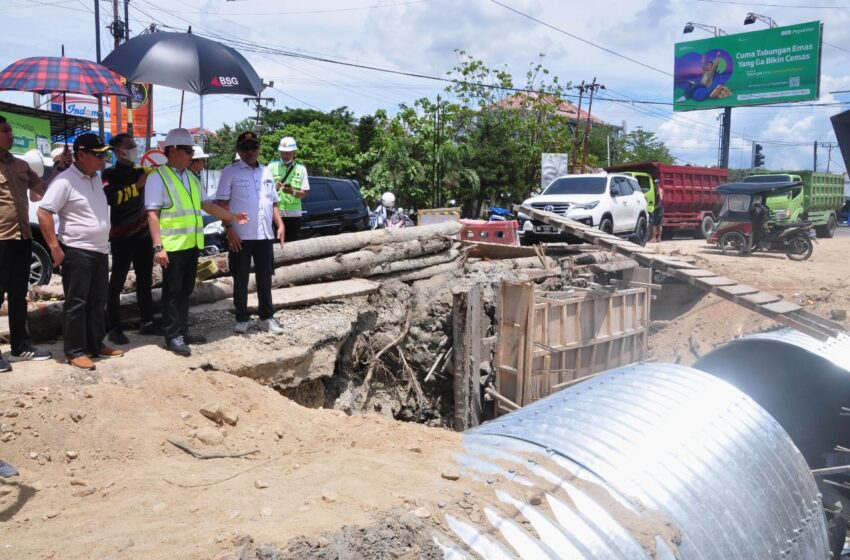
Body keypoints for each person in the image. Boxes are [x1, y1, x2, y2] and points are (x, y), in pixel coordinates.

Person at [145, 128, 249, 356]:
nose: (191, 155)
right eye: (188, 150)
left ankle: (182, 330)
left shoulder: (191, 177)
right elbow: (152, 214)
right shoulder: (157, 177)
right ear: (173, 151)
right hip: (171, 248)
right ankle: (173, 336)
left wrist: (232, 217)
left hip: (191, 245)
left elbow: (207, 206)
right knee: (172, 293)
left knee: (185, 291)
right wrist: (158, 247)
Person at [37, 134, 124, 370]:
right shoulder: (65, 181)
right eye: (98, 155)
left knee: (97, 301)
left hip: (99, 250)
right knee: (77, 303)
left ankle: (95, 344)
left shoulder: (95, 178)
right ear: (81, 155)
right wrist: (55, 248)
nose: (103, 159)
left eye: (104, 154)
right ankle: (74, 351)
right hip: (77, 251)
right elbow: (44, 212)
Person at [0, 115, 62, 372]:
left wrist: (59, 172)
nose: (10, 135)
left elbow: (40, 191)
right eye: (4, 131)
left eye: (10, 130)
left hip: (22, 239)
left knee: (17, 296)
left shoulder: (21, 165)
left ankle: (20, 346)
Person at [214, 131, 285, 334]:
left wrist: (280, 224)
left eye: (254, 147)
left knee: (265, 278)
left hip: (264, 235)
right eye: (245, 148)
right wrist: (229, 229)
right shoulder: (230, 171)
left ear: (258, 149)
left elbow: (273, 202)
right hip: (240, 235)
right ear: (238, 150)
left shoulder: (267, 171)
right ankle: (242, 316)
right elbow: (222, 203)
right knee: (241, 277)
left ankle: (267, 316)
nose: (250, 151)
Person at [102, 133, 157, 345]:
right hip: (122, 236)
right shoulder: (109, 173)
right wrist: (138, 186)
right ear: (118, 151)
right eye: (130, 146)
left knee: (145, 281)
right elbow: (112, 198)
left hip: (143, 235)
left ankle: (148, 322)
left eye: (135, 145)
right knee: (116, 282)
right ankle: (114, 327)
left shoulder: (140, 171)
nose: (135, 149)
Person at [265, 136, 308, 242]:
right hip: (275, 214)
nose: (284, 155)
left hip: (294, 215)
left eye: (288, 153)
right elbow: (263, 191)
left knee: (293, 246)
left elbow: (305, 193)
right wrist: (275, 188)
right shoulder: (271, 167)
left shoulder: (301, 169)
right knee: (274, 245)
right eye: (282, 152)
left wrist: (292, 192)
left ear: (294, 152)